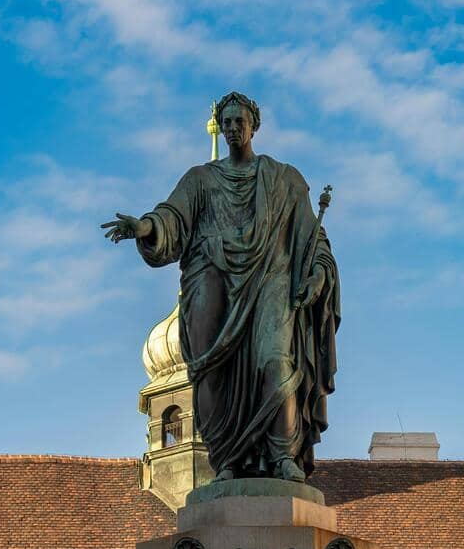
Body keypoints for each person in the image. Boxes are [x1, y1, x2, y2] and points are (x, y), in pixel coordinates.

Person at [102, 91, 339, 483]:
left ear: (254, 125)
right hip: (212, 280)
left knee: (275, 361)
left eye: (238, 121)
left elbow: (313, 239)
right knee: (213, 373)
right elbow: (172, 216)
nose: (231, 129)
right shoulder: (200, 180)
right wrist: (145, 226)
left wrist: (317, 275)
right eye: (226, 122)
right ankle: (226, 458)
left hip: (270, 282)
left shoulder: (284, 179)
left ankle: (282, 455)